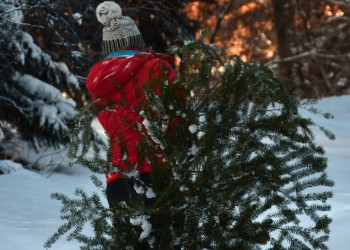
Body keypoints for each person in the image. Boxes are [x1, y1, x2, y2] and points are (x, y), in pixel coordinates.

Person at [86, 1, 178, 249]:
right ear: (135, 41)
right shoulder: (156, 67)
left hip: (118, 176)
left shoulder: (98, 81)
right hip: (158, 170)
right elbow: (179, 116)